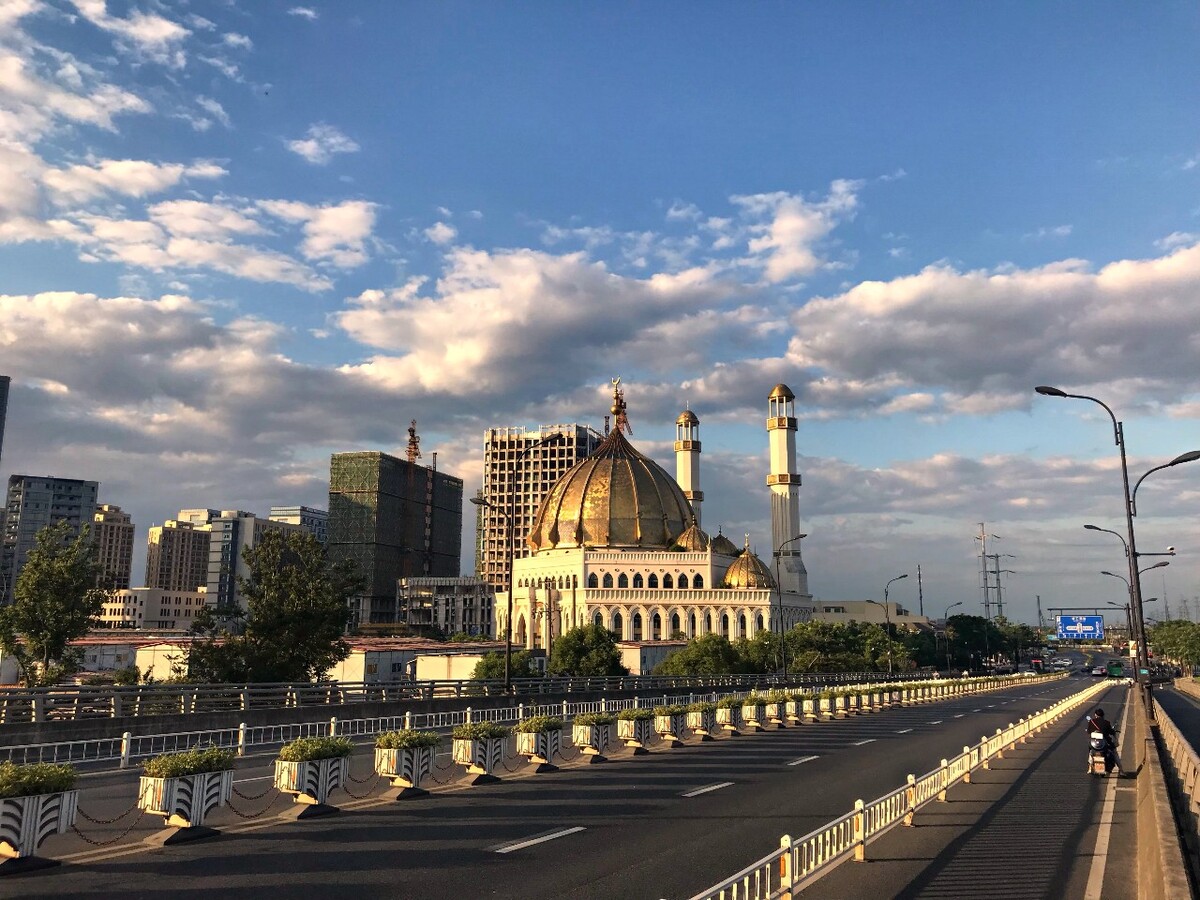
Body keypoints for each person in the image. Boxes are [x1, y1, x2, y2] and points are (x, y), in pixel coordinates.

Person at [1085, 708, 1122, 775]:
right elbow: (1111, 732)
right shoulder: (1106, 723)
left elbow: (1089, 732)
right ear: (1103, 715)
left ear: (1095, 715)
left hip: (1093, 743)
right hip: (1105, 743)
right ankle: (1121, 770)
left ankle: (1090, 767)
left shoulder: (1091, 722)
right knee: (1114, 753)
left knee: (1090, 752)